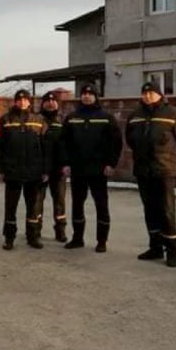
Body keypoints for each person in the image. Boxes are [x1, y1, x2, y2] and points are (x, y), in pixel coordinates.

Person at [125, 81, 176, 267]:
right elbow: (130, 139)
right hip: (143, 170)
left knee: (167, 211)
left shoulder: (173, 114)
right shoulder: (135, 115)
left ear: (160, 95)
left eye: (151, 93)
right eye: (144, 93)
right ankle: (155, 247)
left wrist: (171, 160)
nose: (147, 96)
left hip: (165, 170)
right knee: (150, 210)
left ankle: (172, 250)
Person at [59, 84, 123, 251]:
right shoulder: (72, 118)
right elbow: (63, 142)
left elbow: (116, 143)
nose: (86, 96)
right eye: (84, 94)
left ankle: (102, 241)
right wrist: (65, 163)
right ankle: (77, 238)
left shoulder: (106, 118)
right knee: (77, 204)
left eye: (90, 94)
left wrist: (111, 163)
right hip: (78, 169)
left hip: (99, 170)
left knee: (101, 205)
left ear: (96, 96)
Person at [0, 89, 49, 250]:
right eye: (19, 99)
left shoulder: (39, 120)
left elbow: (46, 147)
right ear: (15, 102)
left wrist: (45, 169)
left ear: (30, 102)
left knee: (33, 208)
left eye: (25, 99)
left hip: (34, 173)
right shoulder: (5, 120)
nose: (22, 102)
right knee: (11, 207)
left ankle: (32, 237)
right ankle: (9, 238)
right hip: (12, 172)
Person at [36, 91, 67, 243]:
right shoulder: (37, 121)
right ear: (42, 104)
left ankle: (60, 230)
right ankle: (35, 230)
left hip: (58, 169)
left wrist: (66, 164)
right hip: (41, 170)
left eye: (53, 101)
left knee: (60, 201)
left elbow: (68, 144)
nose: (50, 103)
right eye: (47, 101)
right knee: (37, 201)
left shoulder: (62, 121)